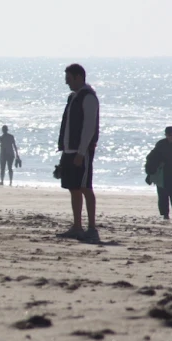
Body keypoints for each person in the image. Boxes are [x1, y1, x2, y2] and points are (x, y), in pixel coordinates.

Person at [56, 64, 100, 243]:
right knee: (73, 188)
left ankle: (91, 227)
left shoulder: (88, 97)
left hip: (82, 151)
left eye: (69, 79)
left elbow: (89, 127)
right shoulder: (73, 97)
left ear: (78, 77)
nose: (67, 83)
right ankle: (77, 226)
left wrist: (81, 152)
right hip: (69, 150)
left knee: (85, 188)